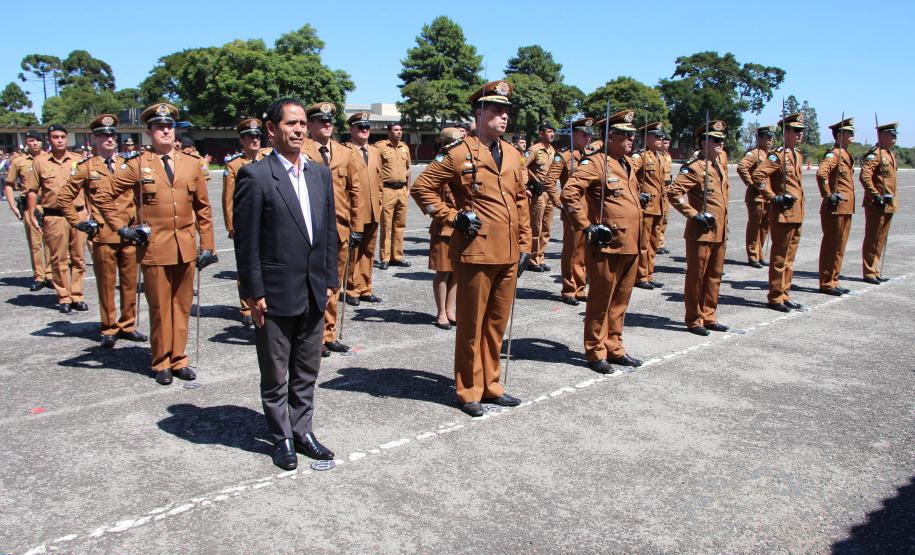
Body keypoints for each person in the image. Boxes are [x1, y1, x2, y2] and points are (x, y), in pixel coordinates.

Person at [412, 80, 531, 417]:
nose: (503, 116)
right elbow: (422, 188)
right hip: (476, 250)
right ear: (479, 113)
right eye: (496, 110)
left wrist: (525, 245)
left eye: (506, 111)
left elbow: (521, 201)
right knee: (471, 325)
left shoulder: (512, 154)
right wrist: (453, 217)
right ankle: (468, 390)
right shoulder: (460, 153)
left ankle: (492, 385)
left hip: (508, 252)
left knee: (496, 324)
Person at [233, 98, 337, 470]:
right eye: (290, 123)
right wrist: (253, 293)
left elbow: (327, 233)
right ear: (272, 130)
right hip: (275, 292)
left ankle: (303, 429)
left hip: (313, 288)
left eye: (302, 123)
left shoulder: (319, 174)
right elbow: (246, 243)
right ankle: (281, 437)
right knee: (276, 372)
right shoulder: (255, 176)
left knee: (307, 368)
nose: (299, 129)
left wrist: (330, 280)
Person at [95, 103, 217, 385]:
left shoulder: (190, 163)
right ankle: (161, 360)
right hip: (154, 248)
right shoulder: (138, 164)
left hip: (185, 246)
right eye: (159, 127)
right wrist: (121, 228)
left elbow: (203, 208)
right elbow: (103, 196)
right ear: (149, 132)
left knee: (182, 305)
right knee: (160, 308)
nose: (165, 130)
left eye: (169, 126)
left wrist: (207, 245)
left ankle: (179, 358)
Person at [561, 109, 643, 374]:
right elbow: (570, 194)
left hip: (630, 242)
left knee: (620, 301)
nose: (631, 140)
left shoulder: (628, 163)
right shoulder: (596, 163)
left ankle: (614, 347)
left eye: (632, 135)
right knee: (600, 301)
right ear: (610, 137)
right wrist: (586, 227)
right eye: (625, 135)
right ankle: (595, 351)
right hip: (607, 244)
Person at [58, 114, 147, 348]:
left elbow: (139, 197)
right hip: (104, 235)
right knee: (106, 284)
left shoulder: (129, 165)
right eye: (103, 135)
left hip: (128, 234)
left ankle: (128, 324)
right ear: (94, 139)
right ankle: (109, 327)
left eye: (112, 135)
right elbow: (64, 197)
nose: (109, 139)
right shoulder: (87, 167)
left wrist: (141, 224)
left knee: (129, 283)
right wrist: (79, 221)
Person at [299, 102, 362, 356]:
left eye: (329, 121)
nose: (326, 125)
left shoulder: (344, 153)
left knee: (333, 283)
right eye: (320, 121)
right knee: (309, 284)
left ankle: (329, 333)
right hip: (311, 228)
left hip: (339, 227)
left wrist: (356, 225)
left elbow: (354, 190)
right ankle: (311, 336)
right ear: (310, 125)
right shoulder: (300, 150)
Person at [668, 120, 730, 335]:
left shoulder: (719, 166)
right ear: (703, 142)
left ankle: (709, 315)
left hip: (719, 230)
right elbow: (673, 193)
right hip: (701, 231)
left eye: (722, 139)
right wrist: (694, 215)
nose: (720, 143)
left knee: (714, 275)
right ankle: (694, 319)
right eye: (715, 140)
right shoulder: (694, 168)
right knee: (697, 277)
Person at [25, 125, 88, 313]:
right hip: (54, 216)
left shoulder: (78, 161)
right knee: (58, 258)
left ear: (67, 138)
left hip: (77, 214)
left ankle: (77, 295)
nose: (59, 140)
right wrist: (31, 214)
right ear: (49, 139)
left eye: (62, 136)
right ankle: (64, 296)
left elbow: (88, 188)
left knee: (79, 258)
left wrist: (89, 211)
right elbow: (32, 191)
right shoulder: (40, 162)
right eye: (55, 137)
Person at [751, 112, 806, 312]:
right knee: (780, 257)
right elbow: (758, 175)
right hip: (783, 212)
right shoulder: (778, 155)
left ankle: (785, 293)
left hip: (796, 212)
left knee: (790, 258)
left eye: (801, 131)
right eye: (796, 131)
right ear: (786, 132)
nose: (800, 134)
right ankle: (775, 296)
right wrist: (773, 197)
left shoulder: (797, 155)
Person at [415, 127, 462, 329]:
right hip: (444, 225)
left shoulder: (462, 163)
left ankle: (450, 310)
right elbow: (422, 190)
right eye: (455, 141)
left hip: (461, 225)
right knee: (443, 271)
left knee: (456, 272)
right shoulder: (439, 164)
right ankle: (441, 312)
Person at [544, 117, 593, 305]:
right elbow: (549, 182)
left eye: (589, 135)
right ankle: (569, 288)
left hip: (590, 209)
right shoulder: (564, 156)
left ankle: (580, 287)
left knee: (585, 251)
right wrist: (560, 203)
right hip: (573, 209)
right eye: (583, 134)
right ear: (574, 135)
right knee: (571, 251)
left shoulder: (590, 155)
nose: (587, 138)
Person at [223, 117, 267, 327]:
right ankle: (245, 307)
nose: (254, 140)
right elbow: (228, 198)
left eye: (257, 136)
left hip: (267, 222)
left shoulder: (269, 158)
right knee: (246, 265)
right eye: (249, 137)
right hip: (245, 222)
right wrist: (232, 226)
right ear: (241, 140)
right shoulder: (234, 166)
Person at [343, 112, 384, 306]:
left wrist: (381, 203)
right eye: (360, 127)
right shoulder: (345, 151)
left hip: (374, 209)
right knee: (354, 251)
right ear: (351, 129)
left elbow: (379, 180)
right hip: (355, 209)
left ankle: (366, 287)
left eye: (367, 127)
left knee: (369, 251)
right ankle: (352, 288)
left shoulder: (375, 151)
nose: (364, 130)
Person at [4, 130, 51, 291]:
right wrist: (12, 205)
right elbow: (8, 184)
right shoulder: (19, 161)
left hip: (48, 205)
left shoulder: (50, 158)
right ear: (26, 142)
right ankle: (39, 276)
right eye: (31, 140)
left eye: (38, 140)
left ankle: (51, 274)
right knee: (35, 243)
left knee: (51, 242)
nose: (35, 143)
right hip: (29, 205)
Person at [816, 117, 856, 295]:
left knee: (840, 246)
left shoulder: (845, 154)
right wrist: (828, 195)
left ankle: (834, 279)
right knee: (832, 245)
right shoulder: (834, 154)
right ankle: (826, 282)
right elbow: (821, 174)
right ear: (839, 135)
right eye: (849, 133)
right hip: (835, 206)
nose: (852, 135)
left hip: (846, 206)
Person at [859, 121, 899, 284]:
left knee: (881, 238)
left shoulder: (889, 154)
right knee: (873, 237)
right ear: (882, 136)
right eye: (892, 135)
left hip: (888, 203)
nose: (895, 138)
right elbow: (865, 176)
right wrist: (875, 195)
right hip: (877, 203)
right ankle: (869, 272)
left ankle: (874, 270)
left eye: (895, 135)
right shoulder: (875, 155)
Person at [633, 122, 668, 290]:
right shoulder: (640, 156)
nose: (661, 139)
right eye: (657, 137)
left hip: (659, 205)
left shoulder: (660, 157)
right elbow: (628, 174)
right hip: (646, 206)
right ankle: (640, 276)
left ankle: (649, 273)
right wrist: (637, 192)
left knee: (654, 243)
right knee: (643, 243)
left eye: (662, 137)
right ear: (647, 138)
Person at [737, 125, 775, 268]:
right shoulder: (754, 154)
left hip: (768, 195)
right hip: (756, 196)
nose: (770, 140)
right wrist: (750, 183)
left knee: (765, 227)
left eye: (771, 137)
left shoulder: (770, 155)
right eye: (767, 137)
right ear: (759, 138)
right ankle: (752, 256)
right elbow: (742, 167)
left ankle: (760, 254)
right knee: (755, 226)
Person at [376, 122, 412, 269]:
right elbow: (375, 170)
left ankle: (397, 256)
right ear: (389, 132)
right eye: (396, 130)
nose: (399, 132)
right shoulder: (380, 147)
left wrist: (408, 189)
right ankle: (385, 258)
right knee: (386, 225)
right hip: (387, 190)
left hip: (402, 190)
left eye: (400, 130)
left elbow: (408, 169)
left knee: (400, 225)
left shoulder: (405, 147)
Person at [656, 133, 673, 255]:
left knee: (665, 217)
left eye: (668, 143)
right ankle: (655, 243)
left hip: (666, 189)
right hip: (658, 189)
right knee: (657, 218)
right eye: (665, 143)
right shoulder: (656, 155)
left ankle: (660, 243)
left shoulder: (667, 156)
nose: (667, 145)